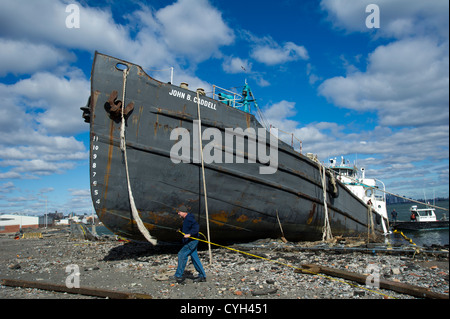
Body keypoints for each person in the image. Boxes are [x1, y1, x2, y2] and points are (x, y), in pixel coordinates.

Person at [172, 205, 206, 284]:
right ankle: (202, 276)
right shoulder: (186, 218)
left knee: (182, 254)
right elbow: (188, 227)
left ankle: (178, 276)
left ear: (183, 212)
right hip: (192, 240)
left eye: (179, 212)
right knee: (194, 257)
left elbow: (196, 227)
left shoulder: (189, 218)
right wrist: (181, 230)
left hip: (192, 241)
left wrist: (190, 234)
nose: (178, 213)